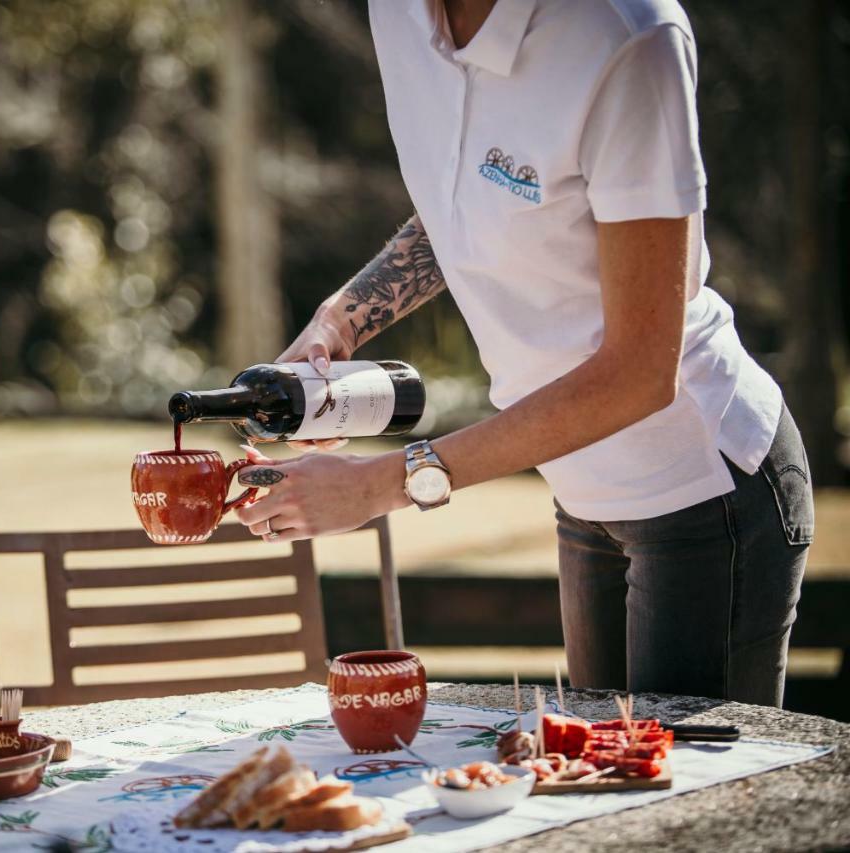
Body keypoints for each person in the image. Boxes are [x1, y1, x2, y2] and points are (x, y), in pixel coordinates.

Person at [234, 0, 813, 707]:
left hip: (703, 490)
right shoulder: (397, 13)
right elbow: (476, 192)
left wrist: (379, 484)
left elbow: (640, 376)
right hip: (579, 490)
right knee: (596, 789)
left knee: (686, 800)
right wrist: (341, 321)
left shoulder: (629, 38)